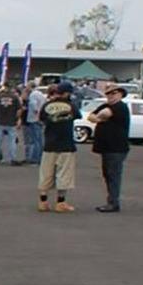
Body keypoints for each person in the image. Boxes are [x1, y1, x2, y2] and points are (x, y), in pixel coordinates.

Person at [35, 81, 81, 211]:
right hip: (66, 144)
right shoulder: (70, 105)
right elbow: (78, 116)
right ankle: (61, 202)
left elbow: (41, 119)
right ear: (67, 93)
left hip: (49, 143)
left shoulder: (47, 105)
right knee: (64, 174)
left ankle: (43, 202)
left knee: (45, 174)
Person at [89, 84, 132, 211]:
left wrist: (99, 118)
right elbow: (91, 116)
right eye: (108, 94)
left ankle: (113, 203)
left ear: (120, 94)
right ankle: (111, 200)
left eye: (113, 93)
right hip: (106, 147)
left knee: (113, 175)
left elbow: (104, 114)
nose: (110, 96)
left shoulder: (120, 107)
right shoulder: (106, 105)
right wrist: (98, 118)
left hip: (116, 148)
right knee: (107, 174)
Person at [0, 86, 24, 165]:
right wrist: (17, 118)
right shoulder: (15, 97)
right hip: (11, 121)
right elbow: (19, 109)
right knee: (12, 141)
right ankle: (12, 159)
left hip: (1, 120)